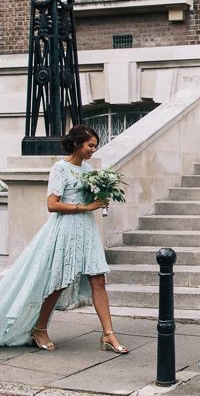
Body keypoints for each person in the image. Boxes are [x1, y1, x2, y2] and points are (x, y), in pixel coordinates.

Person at [0, 124, 128, 354]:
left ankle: (108, 334)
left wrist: (101, 197)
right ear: (77, 144)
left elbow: (89, 196)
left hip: (87, 229)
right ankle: (39, 329)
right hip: (65, 229)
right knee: (58, 282)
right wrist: (86, 206)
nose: (93, 150)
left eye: (95, 146)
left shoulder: (89, 170)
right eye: (90, 145)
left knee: (98, 279)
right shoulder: (60, 168)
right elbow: (52, 204)